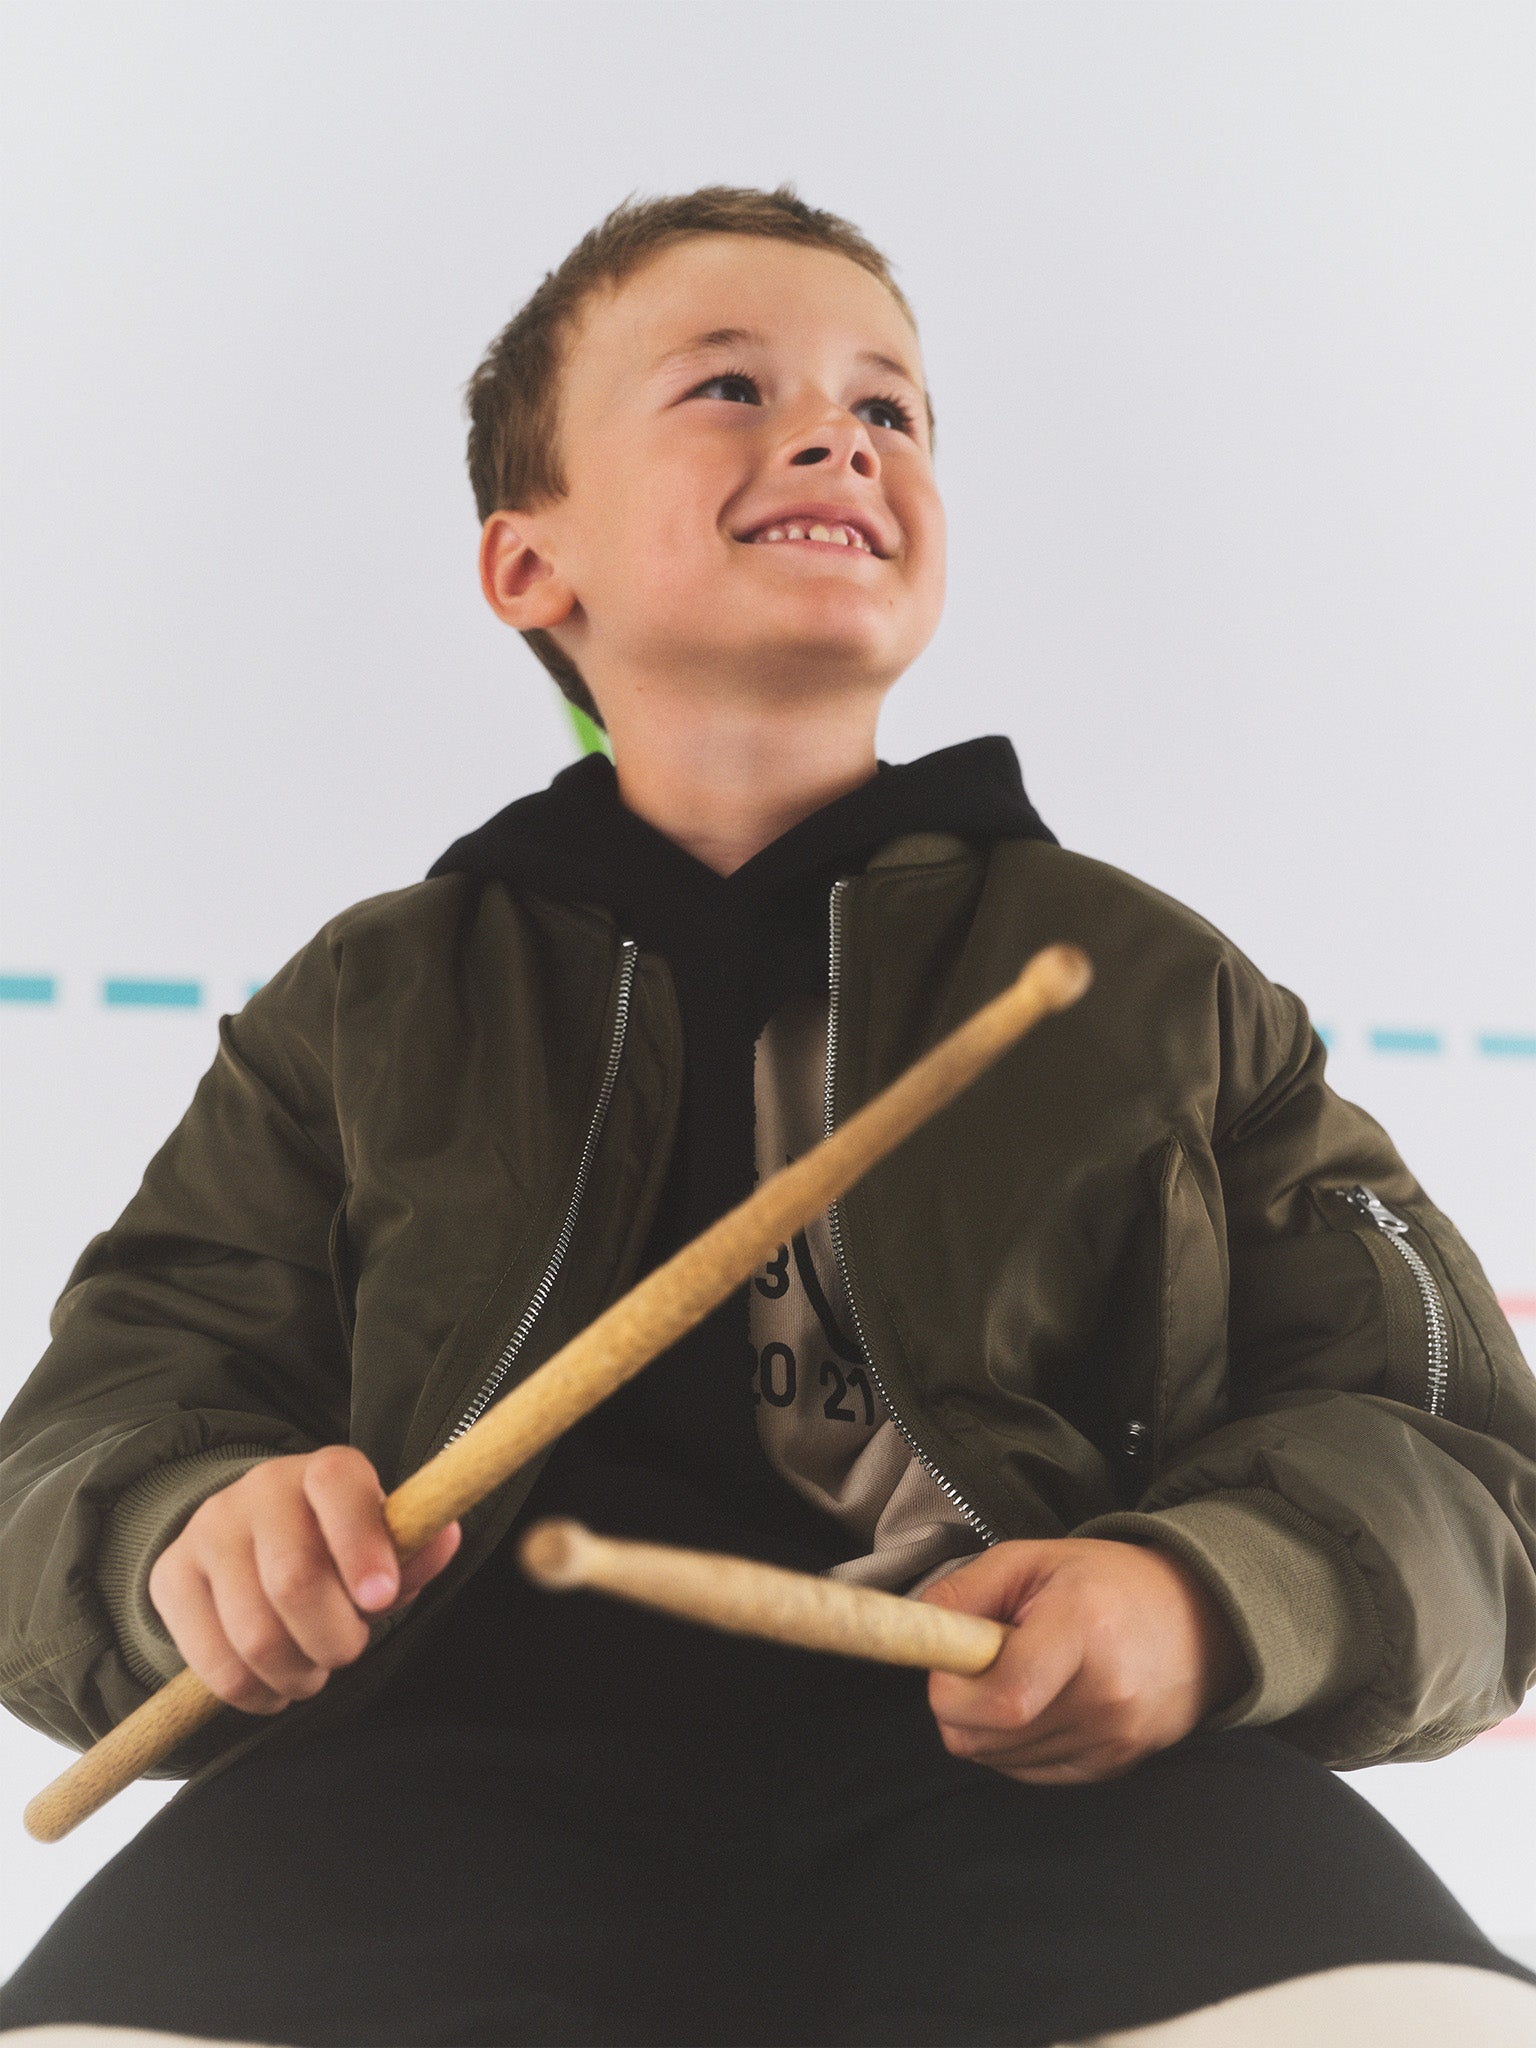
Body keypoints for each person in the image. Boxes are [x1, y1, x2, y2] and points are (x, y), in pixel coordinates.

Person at [1, 185, 1534, 2048]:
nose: (837, 435)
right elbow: (97, 1425)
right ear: (528, 564)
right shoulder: (367, 999)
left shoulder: (1155, 986)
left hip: (1052, 1777)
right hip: (426, 1772)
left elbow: (1464, 1465)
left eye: (890, 407)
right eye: (731, 386)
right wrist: (183, 1534)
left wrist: (1208, 1603)